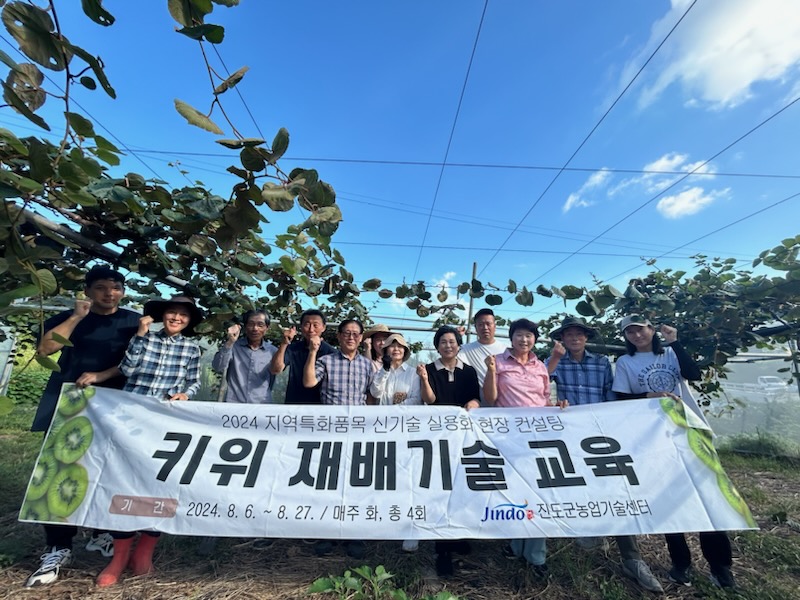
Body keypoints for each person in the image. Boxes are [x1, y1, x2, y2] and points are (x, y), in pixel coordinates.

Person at [25, 265, 140, 588]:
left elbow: (139, 359)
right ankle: (58, 546)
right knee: (59, 469)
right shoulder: (69, 318)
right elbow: (46, 349)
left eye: (115, 288)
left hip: (115, 403)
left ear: (123, 292)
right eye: (102, 287)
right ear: (88, 290)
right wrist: (76, 317)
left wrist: (104, 375)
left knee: (108, 470)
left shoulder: (132, 321)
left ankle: (102, 531)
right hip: (69, 401)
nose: (109, 293)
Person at [612, 314, 736, 589]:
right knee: (668, 498)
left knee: (708, 496)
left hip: (690, 429)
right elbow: (620, 397)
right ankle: (681, 562)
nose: (636, 336)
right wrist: (648, 396)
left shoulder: (670, 352)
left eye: (640, 330)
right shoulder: (625, 362)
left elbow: (693, 374)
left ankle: (721, 567)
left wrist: (675, 342)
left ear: (651, 330)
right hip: (653, 436)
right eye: (630, 332)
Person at [546, 316, 663, 593]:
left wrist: (613, 426)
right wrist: (554, 403)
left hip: (599, 435)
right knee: (575, 484)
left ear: (586, 337)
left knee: (615, 487)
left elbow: (610, 396)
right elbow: (539, 391)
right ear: (562, 339)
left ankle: (631, 557)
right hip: (568, 434)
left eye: (579, 334)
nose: (574, 339)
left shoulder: (601, 363)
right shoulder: (555, 363)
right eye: (569, 335)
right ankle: (588, 532)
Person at [97, 295, 204, 587]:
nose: (177, 318)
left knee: (159, 483)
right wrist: (141, 336)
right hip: (131, 418)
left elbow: (194, 381)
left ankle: (144, 551)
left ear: (189, 321)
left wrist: (186, 395)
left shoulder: (191, 348)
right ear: (162, 315)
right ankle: (119, 555)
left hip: (165, 423)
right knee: (124, 482)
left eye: (183, 315)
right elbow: (128, 370)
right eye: (172, 313)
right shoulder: (144, 339)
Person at [483, 318, 562, 578]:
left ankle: (536, 555)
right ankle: (516, 544)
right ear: (512, 337)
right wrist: (492, 372)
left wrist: (557, 406)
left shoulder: (540, 366)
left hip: (538, 436)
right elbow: (491, 399)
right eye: (519, 335)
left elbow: (544, 399)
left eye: (529, 336)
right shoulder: (498, 361)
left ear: (534, 340)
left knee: (539, 491)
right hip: (509, 437)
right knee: (516, 491)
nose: (524, 340)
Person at [303, 318, 373, 559]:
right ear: (339, 336)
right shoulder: (326, 360)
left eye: (355, 333)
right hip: (330, 432)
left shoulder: (367, 365)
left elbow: (370, 397)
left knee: (355, 482)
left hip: (357, 433)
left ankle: (354, 534)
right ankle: (328, 532)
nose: (351, 337)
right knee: (330, 482)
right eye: (346, 333)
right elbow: (309, 381)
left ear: (361, 338)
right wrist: (312, 353)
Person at [417, 326, 480, 576]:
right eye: (443, 342)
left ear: (459, 344)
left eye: (452, 341)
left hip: (462, 436)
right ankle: (442, 547)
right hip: (437, 436)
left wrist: (473, 404)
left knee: (462, 486)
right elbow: (430, 400)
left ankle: (459, 535)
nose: (448, 345)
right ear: (437, 346)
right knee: (441, 487)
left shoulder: (469, 371)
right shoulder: (430, 370)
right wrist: (423, 379)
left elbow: (475, 397)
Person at [368, 333, 421, 553]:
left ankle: (409, 530)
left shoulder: (413, 373)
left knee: (407, 479)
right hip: (382, 432)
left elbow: (416, 399)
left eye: (400, 347)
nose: (396, 350)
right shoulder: (381, 371)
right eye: (391, 346)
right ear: (385, 351)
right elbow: (375, 392)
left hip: (405, 432)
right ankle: (384, 524)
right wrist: (385, 370)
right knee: (384, 477)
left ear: (406, 351)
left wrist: (395, 406)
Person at [270, 309, 335, 404]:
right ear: (301, 327)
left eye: (315, 325)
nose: (311, 329)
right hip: (295, 404)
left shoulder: (331, 353)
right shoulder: (293, 349)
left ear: (323, 327)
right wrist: (284, 343)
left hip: (321, 407)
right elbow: (275, 369)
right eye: (307, 324)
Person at [212, 309, 277, 403]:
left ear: (267, 328)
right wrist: (230, 342)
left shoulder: (273, 351)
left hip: (261, 405)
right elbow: (218, 367)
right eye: (251, 324)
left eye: (260, 325)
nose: (255, 328)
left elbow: (275, 374)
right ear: (245, 327)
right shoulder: (233, 346)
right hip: (234, 405)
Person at [458, 308, 507, 403]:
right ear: (475, 327)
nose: (485, 328)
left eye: (488, 324)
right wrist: (457, 337)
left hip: (504, 406)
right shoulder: (465, 350)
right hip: (477, 407)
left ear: (495, 326)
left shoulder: (506, 350)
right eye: (480, 324)